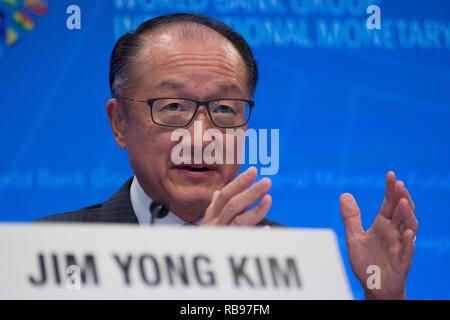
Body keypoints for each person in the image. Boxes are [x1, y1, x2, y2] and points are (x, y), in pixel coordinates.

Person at [38, 13, 418, 299]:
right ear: (120, 122)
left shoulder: (297, 260)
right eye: (172, 106)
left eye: (223, 110)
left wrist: (382, 295)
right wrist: (194, 275)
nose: (202, 137)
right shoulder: (49, 252)